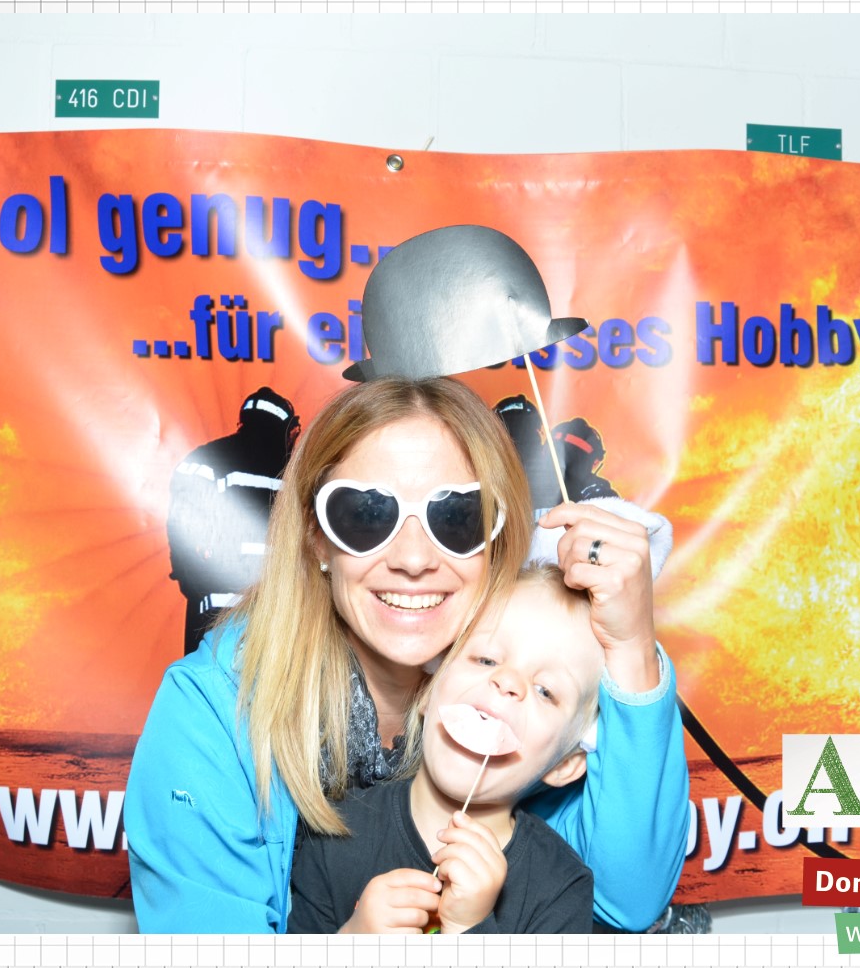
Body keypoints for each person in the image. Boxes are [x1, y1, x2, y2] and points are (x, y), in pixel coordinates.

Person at [124, 376, 688, 934]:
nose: (414, 559)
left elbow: (627, 900)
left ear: (495, 544)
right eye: (367, 514)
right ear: (318, 539)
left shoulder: (514, 709)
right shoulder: (209, 714)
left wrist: (632, 647)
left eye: (456, 518)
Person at [287, 565, 604, 935]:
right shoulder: (334, 831)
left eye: (546, 690)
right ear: (427, 691)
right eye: (486, 660)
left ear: (565, 765)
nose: (507, 682)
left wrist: (469, 928)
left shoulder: (561, 889)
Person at [165, 386, 301, 653]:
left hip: (213, 615)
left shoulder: (205, 460)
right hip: (276, 616)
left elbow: (181, 529)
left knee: (205, 678)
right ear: (286, 427)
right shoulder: (296, 474)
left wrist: (193, 583)